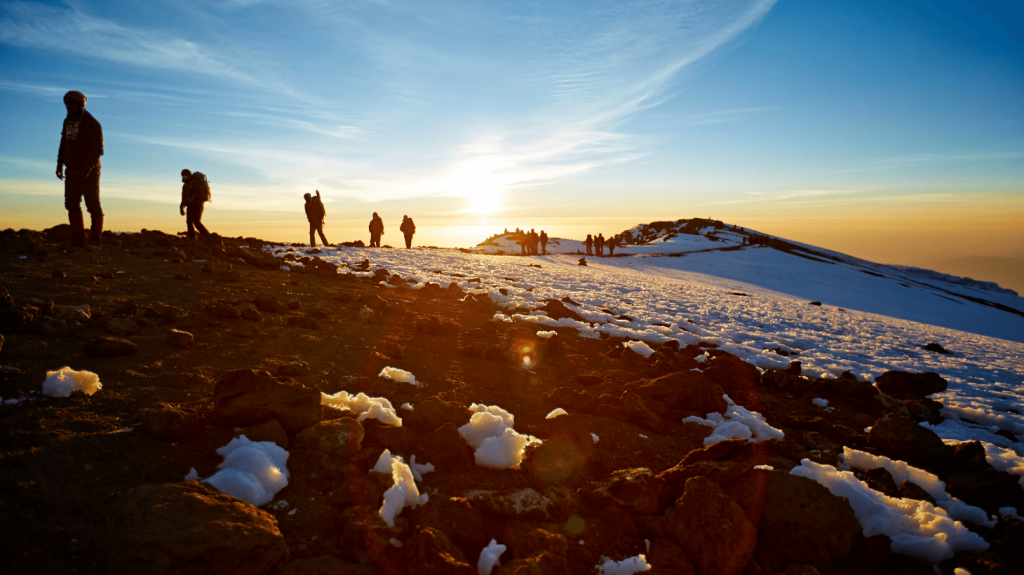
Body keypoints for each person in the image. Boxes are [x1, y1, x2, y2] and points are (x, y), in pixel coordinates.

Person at [56, 90, 103, 247]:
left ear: (80, 105)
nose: (68, 106)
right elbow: (64, 144)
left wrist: (87, 170)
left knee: (92, 204)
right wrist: (59, 164)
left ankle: (96, 239)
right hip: (71, 169)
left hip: (89, 170)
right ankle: (78, 238)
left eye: (72, 103)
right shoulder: (67, 122)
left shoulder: (92, 123)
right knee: (71, 203)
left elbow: (97, 150)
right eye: (66, 103)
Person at [179, 169, 212, 241]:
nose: (183, 177)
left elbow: (198, 194)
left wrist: (195, 203)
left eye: (185, 175)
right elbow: (184, 197)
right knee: (189, 222)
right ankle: (192, 239)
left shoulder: (195, 183)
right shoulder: (185, 185)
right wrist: (181, 207)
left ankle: (208, 237)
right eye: (182, 175)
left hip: (198, 204)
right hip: (190, 205)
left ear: (188, 175)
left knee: (196, 221)